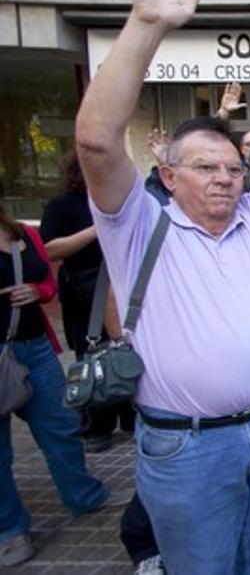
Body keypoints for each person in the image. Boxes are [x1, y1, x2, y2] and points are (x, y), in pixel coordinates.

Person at [75, 0, 250, 572]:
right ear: (167, 176)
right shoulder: (137, 225)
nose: (223, 176)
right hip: (186, 449)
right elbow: (98, 144)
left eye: (232, 166)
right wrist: (146, 24)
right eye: (204, 166)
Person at [0, 191, 110, 567]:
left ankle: (84, 495)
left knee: (61, 425)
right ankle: (10, 531)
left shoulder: (21, 235)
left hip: (36, 346)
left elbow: (47, 278)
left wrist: (37, 291)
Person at [39, 150, 134, 453]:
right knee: (93, 354)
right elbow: (50, 249)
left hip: (124, 286)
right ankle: (97, 426)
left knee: (130, 350)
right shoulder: (63, 206)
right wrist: (99, 228)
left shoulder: (122, 201)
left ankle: (132, 418)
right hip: (86, 290)